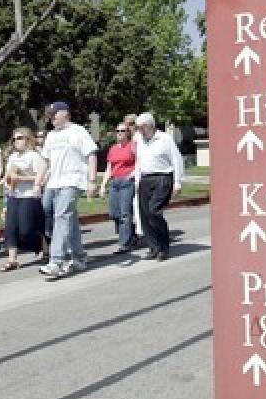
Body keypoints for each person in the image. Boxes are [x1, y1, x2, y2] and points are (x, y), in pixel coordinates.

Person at [36, 102, 97, 280]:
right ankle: (79, 257)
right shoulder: (51, 136)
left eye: (55, 114)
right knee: (60, 215)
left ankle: (57, 261)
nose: (52, 117)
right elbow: (45, 161)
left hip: (72, 181)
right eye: (49, 115)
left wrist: (92, 181)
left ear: (65, 114)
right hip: (53, 182)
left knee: (61, 216)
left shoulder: (78, 131)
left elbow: (91, 155)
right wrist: (38, 182)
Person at [133, 112, 183, 261]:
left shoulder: (164, 139)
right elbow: (139, 161)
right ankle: (153, 248)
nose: (139, 131)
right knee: (145, 214)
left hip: (162, 177)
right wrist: (137, 179)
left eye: (141, 127)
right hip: (145, 178)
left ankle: (164, 248)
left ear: (149, 126)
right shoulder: (139, 140)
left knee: (155, 211)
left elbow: (176, 159)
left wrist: (178, 182)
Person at [1, 127, 46, 271]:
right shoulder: (13, 157)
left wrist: (21, 177)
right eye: (14, 139)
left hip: (29, 195)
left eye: (19, 138)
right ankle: (12, 260)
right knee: (10, 228)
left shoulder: (34, 156)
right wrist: (6, 200)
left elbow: (42, 177)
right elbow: (9, 178)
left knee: (26, 229)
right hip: (14, 195)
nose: (16, 141)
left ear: (28, 139)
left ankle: (42, 244)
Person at [99, 122, 137, 254]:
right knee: (114, 213)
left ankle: (125, 244)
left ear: (128, 133)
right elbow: (109, 167)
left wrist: (131, 175)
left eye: (123, 131)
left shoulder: (133, 146)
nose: (119, 133)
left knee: (125, 213)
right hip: (115, 183)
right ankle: (131, 233)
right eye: (118, 131)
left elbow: (141, 162)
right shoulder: (113, 148)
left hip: (127, 182)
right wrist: (103, 185)